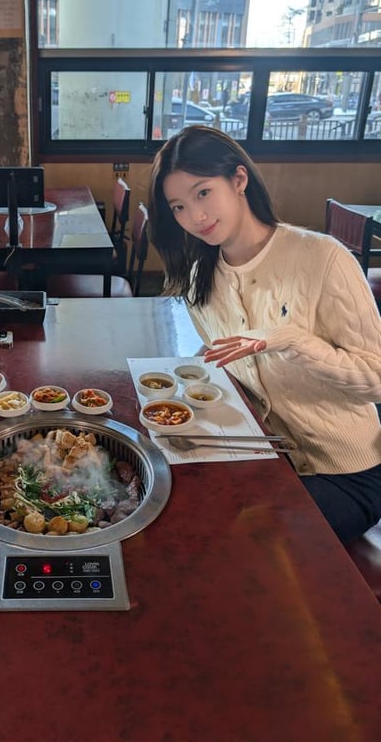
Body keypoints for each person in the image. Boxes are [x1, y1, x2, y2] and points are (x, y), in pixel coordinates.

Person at [148, 125, 381, 544]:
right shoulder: (202, 276)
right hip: (264, 454)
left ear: (239, 180)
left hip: (346, 473)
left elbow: (376, 378)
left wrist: (291, 340)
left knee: (238, 543)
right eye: (179, 206)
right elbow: (221, 357)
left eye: (204, 193)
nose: (195, 217)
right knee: (164, 506)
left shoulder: (322, 258)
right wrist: (176, 399)